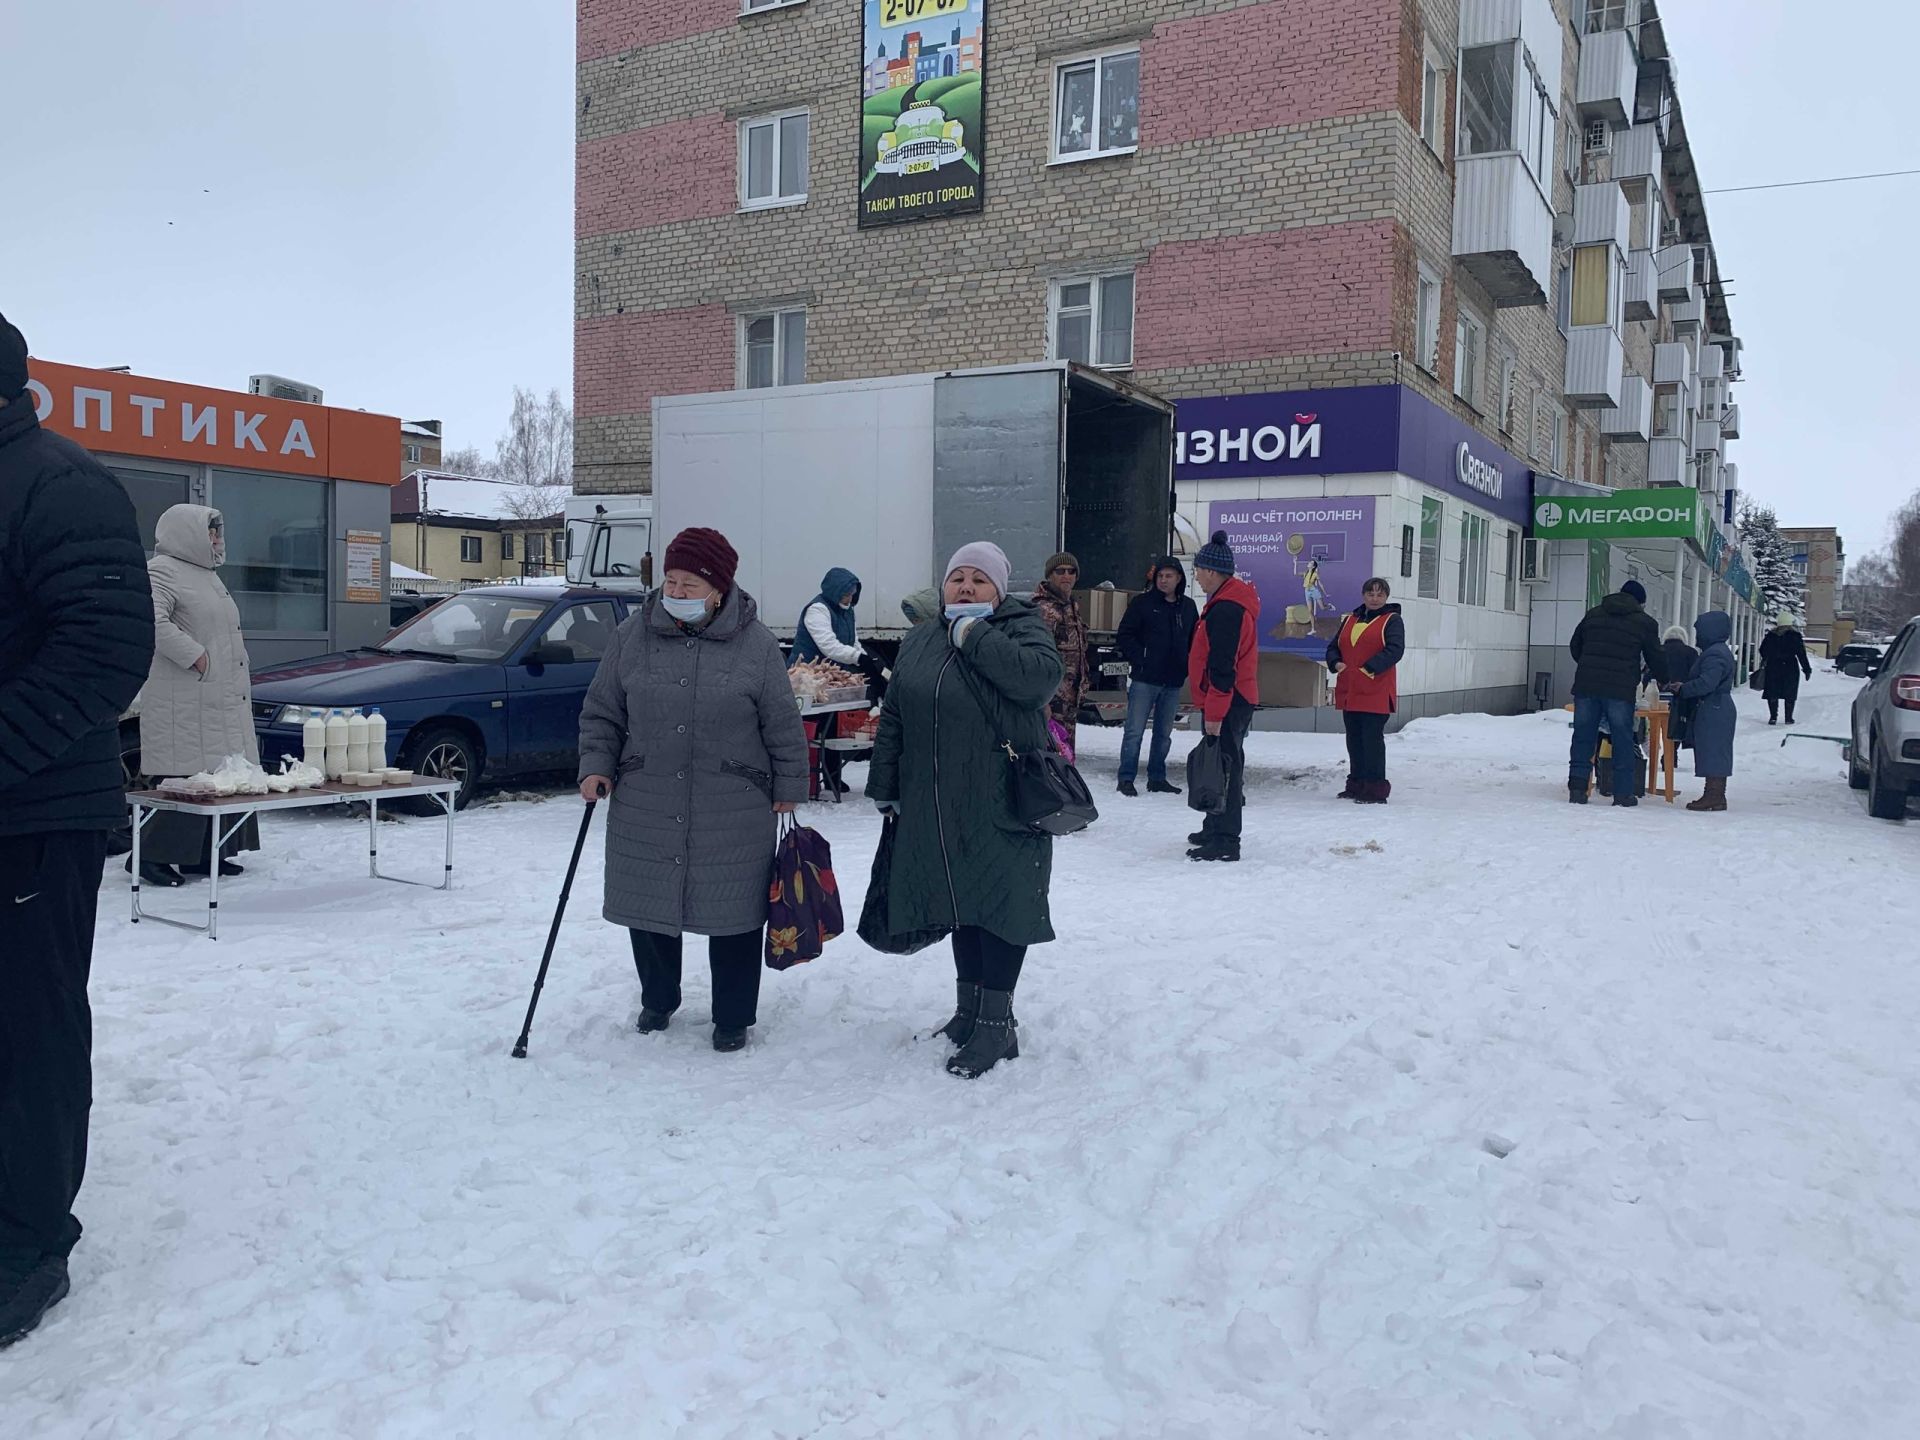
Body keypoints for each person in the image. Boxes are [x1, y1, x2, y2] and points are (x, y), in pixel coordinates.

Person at [0, 310, 156, 1349]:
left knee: (27, 1029)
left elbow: (105, 652)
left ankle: (26, 1246)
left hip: (33, 814)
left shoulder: (60, 485)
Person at [577, 527, 808, 1053]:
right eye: (671, 582)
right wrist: (596, 765)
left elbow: (780, 722)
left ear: (719, 589)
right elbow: (602, 712)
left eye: (689, 584)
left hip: (734, 801)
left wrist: (790, 782)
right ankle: (658, 999)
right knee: (650, 902)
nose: (676, 593)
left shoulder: (756, 644)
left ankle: (732, 1016)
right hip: (647, 794)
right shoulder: (631, 636)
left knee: (735, 913)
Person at [866, 541, 1062, 1079]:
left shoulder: (1024, 627)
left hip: (1005, 798)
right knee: (961, 902)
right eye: (958, 579)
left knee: (1002, 906)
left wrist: (975, 635)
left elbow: (1038, 681)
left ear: (999, 589)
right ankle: (969, 1010)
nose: (967, 587)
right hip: (938, 801)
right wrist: (885, 783)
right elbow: (896, 716)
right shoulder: (922, 638)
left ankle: (998, 1027)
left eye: (980, 579)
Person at [135, 504, 262, 884]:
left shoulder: (208, 576)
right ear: (186, 532)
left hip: (221, 695)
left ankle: (206, 854)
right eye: (209, 531)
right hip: (187, 696)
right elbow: (150, 621)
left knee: (222, 776)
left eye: (217, 531)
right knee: (187, 779)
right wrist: (198, 658)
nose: (215, 539)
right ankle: (147, 859)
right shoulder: (162, 571)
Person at [1186, 531, 1260, 861]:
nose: (1197, 577)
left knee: (1226, 769)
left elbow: (1222, 667)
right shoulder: (1226, 602)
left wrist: (1214, 714)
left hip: (1228, 700)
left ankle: (1227, 839)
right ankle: (1214, 825)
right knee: (1218, 766)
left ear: (1213, 572)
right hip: (1229, 699)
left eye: (1199, 570)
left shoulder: (1227, 609)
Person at [1566, 579, 1665, 806]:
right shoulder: (1644, 622)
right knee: (1622, 739)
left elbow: (1575, 645)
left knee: (1583, 737)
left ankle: (1578, 789)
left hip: (1587, 686)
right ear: (1641, 603)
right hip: (1620, 690)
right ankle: (1622, 793)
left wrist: (1588, 667)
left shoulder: (1593, 614)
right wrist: (1666, 678)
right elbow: (1655, 656)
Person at [788, 566, 878, 795]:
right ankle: (805, 778)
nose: (849, 598)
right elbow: (827, 645)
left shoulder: (847, 610)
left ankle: (832, 776)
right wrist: (856, 657)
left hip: (828, 676)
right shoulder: (818, 609)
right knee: (812, 728)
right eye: (846, 593)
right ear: (834, 590)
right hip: (806, 677)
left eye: (852, 594)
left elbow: (852, 640)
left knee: (833, 726)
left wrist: (865, 657)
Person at [1114, 557, 1197, 797]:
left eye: (1169, 576)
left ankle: (1157, 778)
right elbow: (1125, 635)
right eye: (1160, 576)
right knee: (1134, 731)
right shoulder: (1142, 603)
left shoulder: (1189, 607)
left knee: (1163, 734)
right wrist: (1141, 658)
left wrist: (1187, 665)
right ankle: (1126, 778)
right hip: (1144, 679)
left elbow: (1195, 641)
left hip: (1173, 681)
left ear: (1179, 578)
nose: (1163, 580)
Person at [1326, 577, 1405, 804]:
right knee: (1354, 740)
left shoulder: (1392, 620)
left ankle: (1374, 789)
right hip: (1350, 691)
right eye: (1371, 594)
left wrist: (1370, 667)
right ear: (1363, 596)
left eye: (1380, 594)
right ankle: (1357, 784)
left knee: (1371, 741)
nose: (1375, 598)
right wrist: (1335, 662)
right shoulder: (1350, 618)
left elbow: (1395, 649)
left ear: (1386, 597)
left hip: (1375, 691)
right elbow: (1334, 647)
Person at [1675, 610, 1737, 811]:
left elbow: (1707, 683)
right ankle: (1715, 794)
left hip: (1714, 708)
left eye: (1700, 631)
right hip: (1715, 706)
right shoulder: (1717, 651)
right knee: (1714, 749)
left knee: (1713, 750)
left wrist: (1684, 689)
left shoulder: (1715, 654)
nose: (1697, 636)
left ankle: (1714, 795)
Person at [1031, 552, 1090, 755]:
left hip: (1069, 701)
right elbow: (1036, 658)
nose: (1066, 576)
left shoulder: (1071, 606)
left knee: (1066, 758)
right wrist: (1042, 702)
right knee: (1051, 760)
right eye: (1060, 571)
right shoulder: (1043, 609)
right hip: (1052, 702)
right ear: (1050, 575)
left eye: (1071, 571)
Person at [1759, 611, 1812, 726]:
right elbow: (1801, 654)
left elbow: (1762, 650)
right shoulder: (1795, 636)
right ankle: (1788, 717)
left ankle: (1773, 717)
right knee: (1790, 692)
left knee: (1773, 692)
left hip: (1773, 667)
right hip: (1790, 667)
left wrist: (1770, 657)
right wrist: (1807, 669)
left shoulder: (1771, 635)